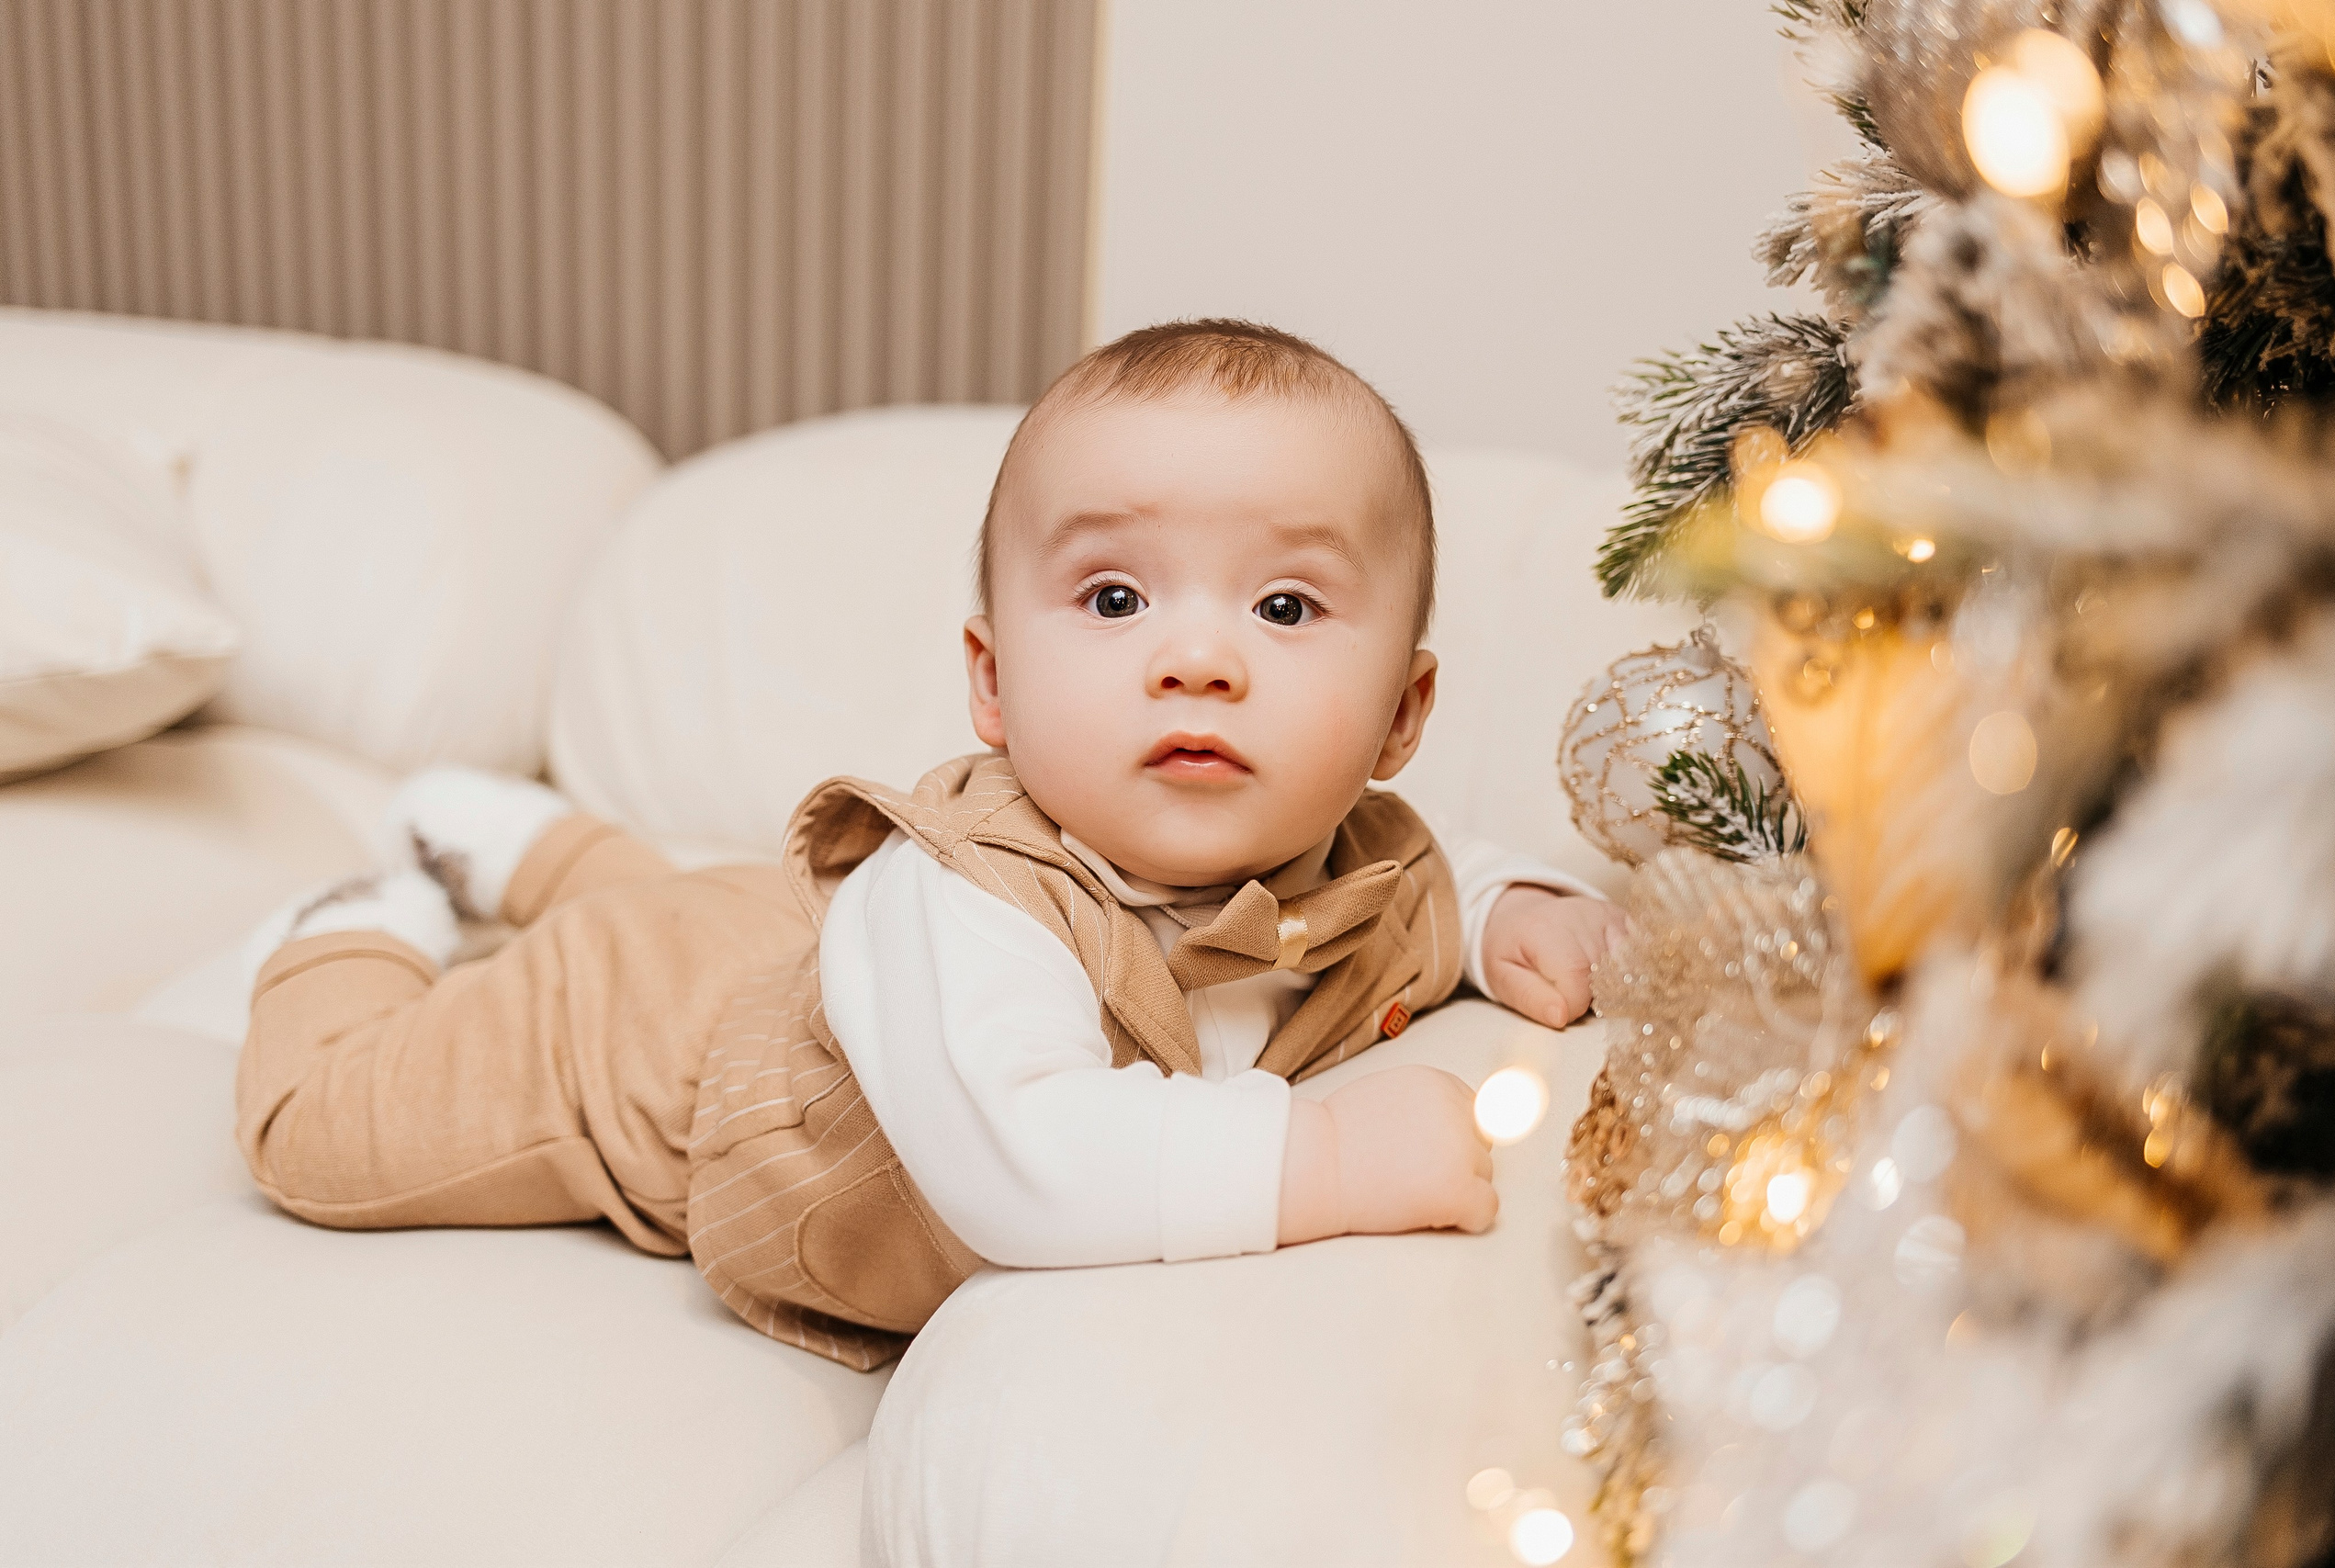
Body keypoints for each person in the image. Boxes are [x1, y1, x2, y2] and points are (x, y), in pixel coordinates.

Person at [235, 319, 1627, 1371]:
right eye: (1117, 593)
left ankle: (545, 849)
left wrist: (1515, 910)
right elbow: (1023, 1157)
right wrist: (1319, 1162)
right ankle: (365, 918)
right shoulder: (960, 901)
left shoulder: (1363, 866)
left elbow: (1437, 882)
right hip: (653, 1049)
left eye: (1282, 608)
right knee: (319, 1141)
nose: (1198, 658)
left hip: (798, 952)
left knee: (711, 911)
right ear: (992, 683)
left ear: (1402, 714)